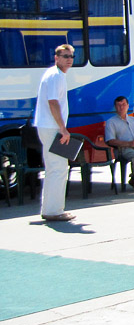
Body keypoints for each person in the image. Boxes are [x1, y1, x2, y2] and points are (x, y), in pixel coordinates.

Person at [35, 44, 76, 222]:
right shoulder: (56, 76)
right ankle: (54, 211)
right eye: (65, 56)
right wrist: (63, 128)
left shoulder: (54, 74)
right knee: (58, 169)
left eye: (71, 56)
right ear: (56, 58)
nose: (69, 59)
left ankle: (50, 208)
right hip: (52, 128)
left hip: (47, 126)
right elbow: (53, 103)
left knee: (54, 168)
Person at [104, 95, 134, 192]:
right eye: (118, 105)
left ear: (127, 106)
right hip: (123, 150)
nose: (121, 107)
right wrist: (129, 143)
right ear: (115, 107)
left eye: (123, 105)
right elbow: (110, 140)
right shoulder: (111, 122)